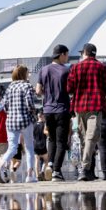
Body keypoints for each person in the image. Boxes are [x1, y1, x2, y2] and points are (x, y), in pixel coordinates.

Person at [67, 43, 106, 182]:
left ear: (84, 53)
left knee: (85, 139)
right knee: (91, 138)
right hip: (96, 106)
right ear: (94, 54)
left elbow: (69, 88)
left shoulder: (75, 67)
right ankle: (85, 168)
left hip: (79, 107)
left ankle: (86, 170)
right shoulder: (101, 67)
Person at [0, 65, 37, 184]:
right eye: (27, 72)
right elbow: (30, 103)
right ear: (24, 74)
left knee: (12, 148)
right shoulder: (27, 86)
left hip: (11, 122)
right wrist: (33, 112)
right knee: (29, 148)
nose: (29, 74)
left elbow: (5, 106)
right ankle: (30, 175)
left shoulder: (9, 88)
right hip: (25, 120)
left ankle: (1, 166)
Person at [36, 44, 71, 182]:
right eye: (66, 55)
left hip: (48, 110)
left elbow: (38, 91)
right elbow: (70, 90)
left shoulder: (43, 70)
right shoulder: (66, 70)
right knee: (61, 141)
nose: (67, 58)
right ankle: (56, 171)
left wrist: (48, 94)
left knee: (51, 139)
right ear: (61, 54)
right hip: (62, 109)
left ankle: (49, 164)